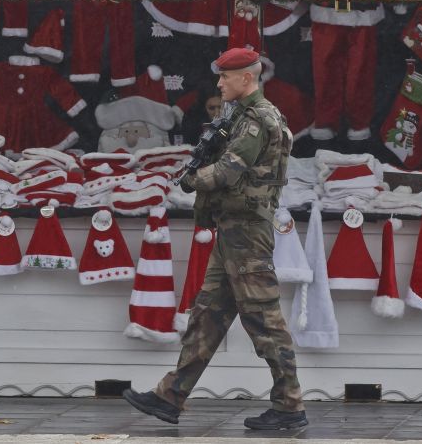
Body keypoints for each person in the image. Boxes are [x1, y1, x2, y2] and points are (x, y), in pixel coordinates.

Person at [123, 47, 307, 430]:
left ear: (247, 78)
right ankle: (169, 397)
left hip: (247, 233)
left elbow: (228, 171)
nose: (219, 83)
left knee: (265, 320)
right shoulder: (239, 115)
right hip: (232, 231)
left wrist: (189, 181)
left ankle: (290, 407)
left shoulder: (257, 119)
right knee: (206, 316)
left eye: (226, 76)